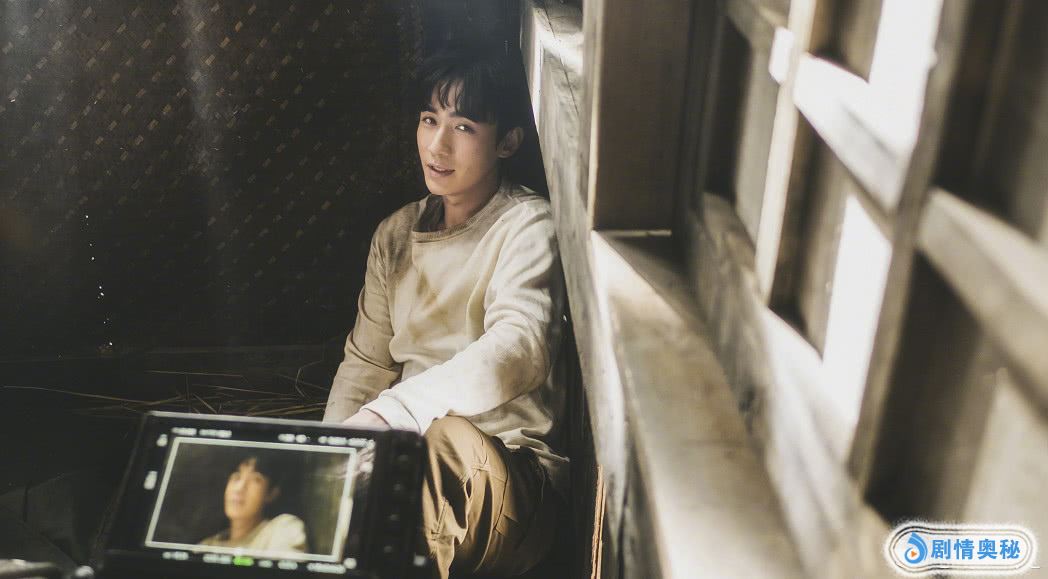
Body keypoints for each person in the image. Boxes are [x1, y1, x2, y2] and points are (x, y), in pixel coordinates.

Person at [323, 42, 567, 579]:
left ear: (507, 142)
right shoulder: (395, 234)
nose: (438, 145)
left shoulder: (527, 226)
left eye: (463, 127)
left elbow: (518, 347)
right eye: (429, 119)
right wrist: (329, 453)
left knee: (436, 449)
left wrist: (394, 414)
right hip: (403, 449)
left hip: (503, 469)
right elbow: (365, 364)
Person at [199, 452, 308, 554]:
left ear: (272, 493)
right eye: (236, 477)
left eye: (256, 479)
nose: (239, 488)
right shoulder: (207, 546)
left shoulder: (282, 530)